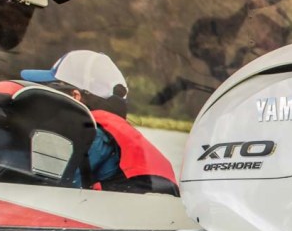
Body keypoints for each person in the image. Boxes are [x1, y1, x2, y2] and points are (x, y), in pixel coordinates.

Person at [21, 50, 178, 195]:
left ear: (75, 96)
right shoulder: (113, 133)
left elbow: (55, 191)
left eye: (53, 88)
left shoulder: (92, 135)